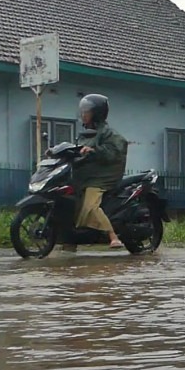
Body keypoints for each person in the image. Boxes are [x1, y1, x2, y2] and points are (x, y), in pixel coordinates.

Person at [65, 93, 128, 251]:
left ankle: (113, 236)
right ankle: (72, 240)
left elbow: (115, 152)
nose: (83, 115)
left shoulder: (109, 134)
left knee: (90, 206)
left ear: (97, 113)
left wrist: (95, 150)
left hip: (100, 178)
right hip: (84, 177)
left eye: (87, 111)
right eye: (82, 111)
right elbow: (76, 150)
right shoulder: (84, 135)